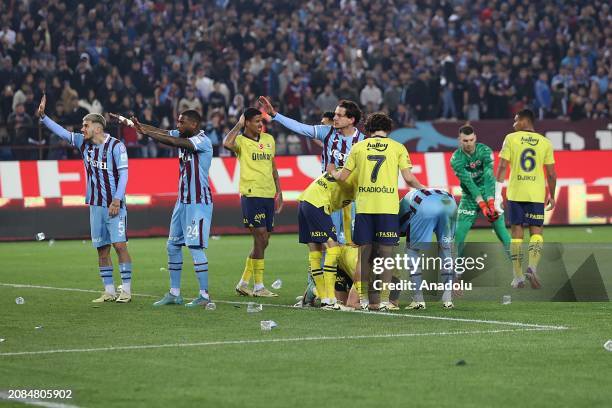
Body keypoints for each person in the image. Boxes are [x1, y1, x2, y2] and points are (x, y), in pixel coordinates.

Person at [113, 110, 214, 307]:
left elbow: (173, 142)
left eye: (181, 122)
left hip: (198, 202)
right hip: (182, 202)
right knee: (173, 245)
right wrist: (137, 126)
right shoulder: (182, 134)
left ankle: (204, 295)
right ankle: (174, 293)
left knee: (194, 246)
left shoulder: (203, 141)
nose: (177, 125)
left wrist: (146, 133)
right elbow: (162, 132)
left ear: (193, 125)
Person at [38, 95, 133, 303]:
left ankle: (126, 290)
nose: (82, 129)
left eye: (85, 125)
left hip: (114, 205)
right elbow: (63, 133)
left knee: (120, 246)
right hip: (95, 206)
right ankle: (109, 291)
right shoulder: (83, 142)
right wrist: (44, 117)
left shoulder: (117, 147)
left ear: (97, 128)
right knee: (102, 249)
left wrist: (117, 199)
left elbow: (124, 175)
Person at [329, 112, 424, 311]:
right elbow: (409, 179)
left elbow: (343, 177)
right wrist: (426, 189)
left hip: (364, 209)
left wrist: (333, 172)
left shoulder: (358, 147)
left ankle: (362, 301)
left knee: (364, 256)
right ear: (388, 130)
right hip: (388, 208)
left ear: (368, 129)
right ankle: (384, 301)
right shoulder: (398, 147)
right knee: (386, 256)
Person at [223, 108, 283, 297]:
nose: (260, 124)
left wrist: (279, 191)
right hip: (251, 194)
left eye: (261, 121)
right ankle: (258, 287)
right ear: (247, 122)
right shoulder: (240, 141)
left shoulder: (269, 140)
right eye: (256, 121)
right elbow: (226, 143)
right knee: (261, 238)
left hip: (268, 194)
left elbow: (273, 166)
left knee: (263, 242)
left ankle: (243, 283)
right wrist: (238, 125)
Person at [495, 109, 557, 289]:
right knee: (536, 232)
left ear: (524, 121)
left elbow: (502, 167)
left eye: (515, 121)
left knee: (516, 233)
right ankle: (533, 267)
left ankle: (518, 276)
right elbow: (551, 174)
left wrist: (497, 193)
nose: (513, 124)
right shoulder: (545, 143)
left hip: (515, 193)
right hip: (536, 194)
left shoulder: (511, 139)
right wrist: (552, 195)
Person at [450, 125, 513, 283]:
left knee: (502, 233)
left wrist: (490, 203)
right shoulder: (456, 159)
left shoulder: (485, 151)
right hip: (469, 198)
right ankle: (456, 274)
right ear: (460, 140)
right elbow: (469, 183)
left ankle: (518, 269)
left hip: (488, 193)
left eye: (471, 140)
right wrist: (483, 206)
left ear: (475, 138)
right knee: (459, 235)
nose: (469, 143)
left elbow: (487, 177)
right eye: (465, 140)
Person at [296, 169, 356, 310]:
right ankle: (331, 300)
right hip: (317, 204)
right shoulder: (356, 181)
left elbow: (346, 213)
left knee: (315, 253)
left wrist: (348, 240)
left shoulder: (347, 172)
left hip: (305, 202)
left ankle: (324, 299)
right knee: (334, 250)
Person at [399, 188, 458, 309]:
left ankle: (418, 299)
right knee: (445, 248)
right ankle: (447, 299)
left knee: (411, 250)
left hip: (425, 205)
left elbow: (398, 231)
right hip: (450, 203)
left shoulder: (401, 206)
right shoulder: (410, 196)